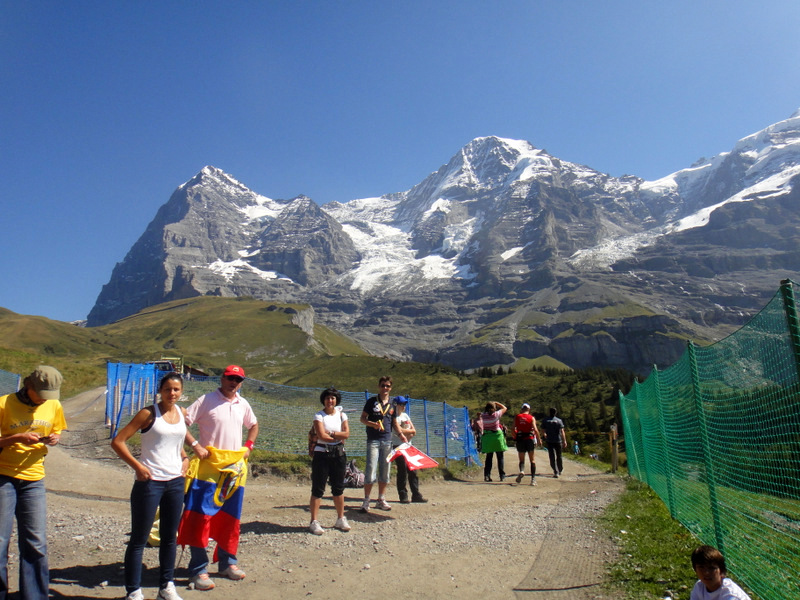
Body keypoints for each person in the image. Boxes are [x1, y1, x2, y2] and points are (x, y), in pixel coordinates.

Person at [111, 372, 188, 600]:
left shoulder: (182, 413)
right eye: (167, 389)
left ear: (181, 392)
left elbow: (175, 441)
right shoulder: (148, 414)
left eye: (176, 389)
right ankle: (134, 592)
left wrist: (185, 457)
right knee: (139, 539)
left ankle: (167, 587)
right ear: (160, 391)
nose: (172, 393)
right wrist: (137, 466)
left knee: (169, 537)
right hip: (150, 483)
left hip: (175, 482)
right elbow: (118, 441)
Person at [182, 365, 258, 591]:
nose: (233, 382)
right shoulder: (206, 400)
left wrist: (248, 447)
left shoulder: (243, 404)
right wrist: (195, 446)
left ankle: (228, 562)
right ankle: (198, 569)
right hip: (208, 472)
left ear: (241, 383)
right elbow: (182, 424)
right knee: (200, 517)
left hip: (234, 472)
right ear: (222, 378)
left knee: (229, 518)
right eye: (230, 378)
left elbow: (253, 424)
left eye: (238, 379)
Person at [0, 366, 67, 600]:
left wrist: (55, 438)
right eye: (41, 394)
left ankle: (35, 596)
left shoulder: (53, 405)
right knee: (0, 541)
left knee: (36, 542)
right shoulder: (4, 404)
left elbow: (57, 429)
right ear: (29, 386)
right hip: (3, 476)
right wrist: (16, 438)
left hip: (34, 478)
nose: (44, 400)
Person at [360, 376, 407, 512]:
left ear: (390, 388)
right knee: (370, 470)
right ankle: (366, 500)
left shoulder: (393, 404)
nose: (385, 388)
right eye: (382, 385)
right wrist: (372, 424)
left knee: (385, 472)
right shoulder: (371, 401)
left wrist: (401, 434)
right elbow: (362, 418)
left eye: (387, 386)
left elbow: (394, 423)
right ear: (379, 386)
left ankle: (381, 499)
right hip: (373, 440)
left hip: (387, 440)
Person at [308, 387, 351, 535]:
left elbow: (347, 434)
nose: (330, 401)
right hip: (322, 454)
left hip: (338, 454)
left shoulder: (342, 415)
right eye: (327, 398)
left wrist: (332, 433)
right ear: (323, 400)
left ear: (336, 400)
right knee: (318, 488)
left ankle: (340, 518)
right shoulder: (318, 415)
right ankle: (314, 521)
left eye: (333, 398)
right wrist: (338, 436)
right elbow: (321, 435)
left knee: (338, 487)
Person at [392, 397, 427, 503]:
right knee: (402, 470)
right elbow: (398, 429)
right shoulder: (394, 417)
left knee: (413, 470)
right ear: (396, 405)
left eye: (404, 404)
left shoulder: (405, 416)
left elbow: (414, 430)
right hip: (398, 445)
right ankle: (403, 495)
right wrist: (408, 431)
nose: (403, 406)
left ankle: (416, 494)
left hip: (408, 446)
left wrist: (406, 431)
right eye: (401, 404)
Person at [513, 403, 540, 486]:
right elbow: (535, 429)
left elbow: (513, 428)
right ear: (529, 409)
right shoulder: (531, 418)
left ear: (522, 409)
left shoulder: (518, 417)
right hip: (529, 439)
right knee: (532, 460)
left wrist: (515, 437)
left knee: (521, 459)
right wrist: (539, 439)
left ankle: (522, 471)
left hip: (520, 439)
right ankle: (533, 479)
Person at [479, 401, 508, 482]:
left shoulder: (482, 416)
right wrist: (497, 403)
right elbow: (504, 408)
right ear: (494, 408)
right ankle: (502, 475)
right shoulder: (496, 414)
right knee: (500, 457)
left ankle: (487, 475)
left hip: (487, 437)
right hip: (497, 436)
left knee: (489, 457)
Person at [542, 407, 567, 478]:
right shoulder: (559, 420)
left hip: (549, 440)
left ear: (549, 412)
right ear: (556, 413)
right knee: (559, 455)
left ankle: (555, 471)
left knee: (552, 456)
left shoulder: (545, 420)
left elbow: (543, 430)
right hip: (558, 440)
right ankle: (560, 469)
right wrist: (564, 440)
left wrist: (544, 435)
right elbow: (562, 431)